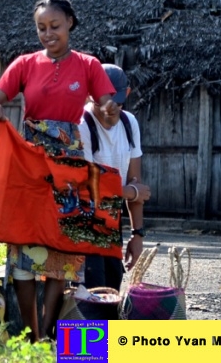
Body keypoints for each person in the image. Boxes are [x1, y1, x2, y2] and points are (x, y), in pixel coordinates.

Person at [0, 0, 118, 341]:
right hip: (30, 167)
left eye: (54, 26)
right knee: (23, 245)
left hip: (68, 169)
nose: (47, 33)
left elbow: (106, 103)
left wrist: (109, 109)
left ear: (70, 23)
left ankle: (48, 330)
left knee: (62, 248)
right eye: (41, 27)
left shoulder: (88, 65)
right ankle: (30, 333)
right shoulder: (24, 64)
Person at [77, 64, 151, 290]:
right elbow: (86, 186)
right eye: (103, 101)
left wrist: (137, 234)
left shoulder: (130, 123)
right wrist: (129, 192)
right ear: (90, 95)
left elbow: (135, 180)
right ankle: (69, 328)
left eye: (117, 103)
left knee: (112, 288)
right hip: (83, 223)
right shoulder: (82, 125)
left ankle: (106, 327)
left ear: (126, 94)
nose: (110, 108)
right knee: (90, 290)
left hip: (112, 221)